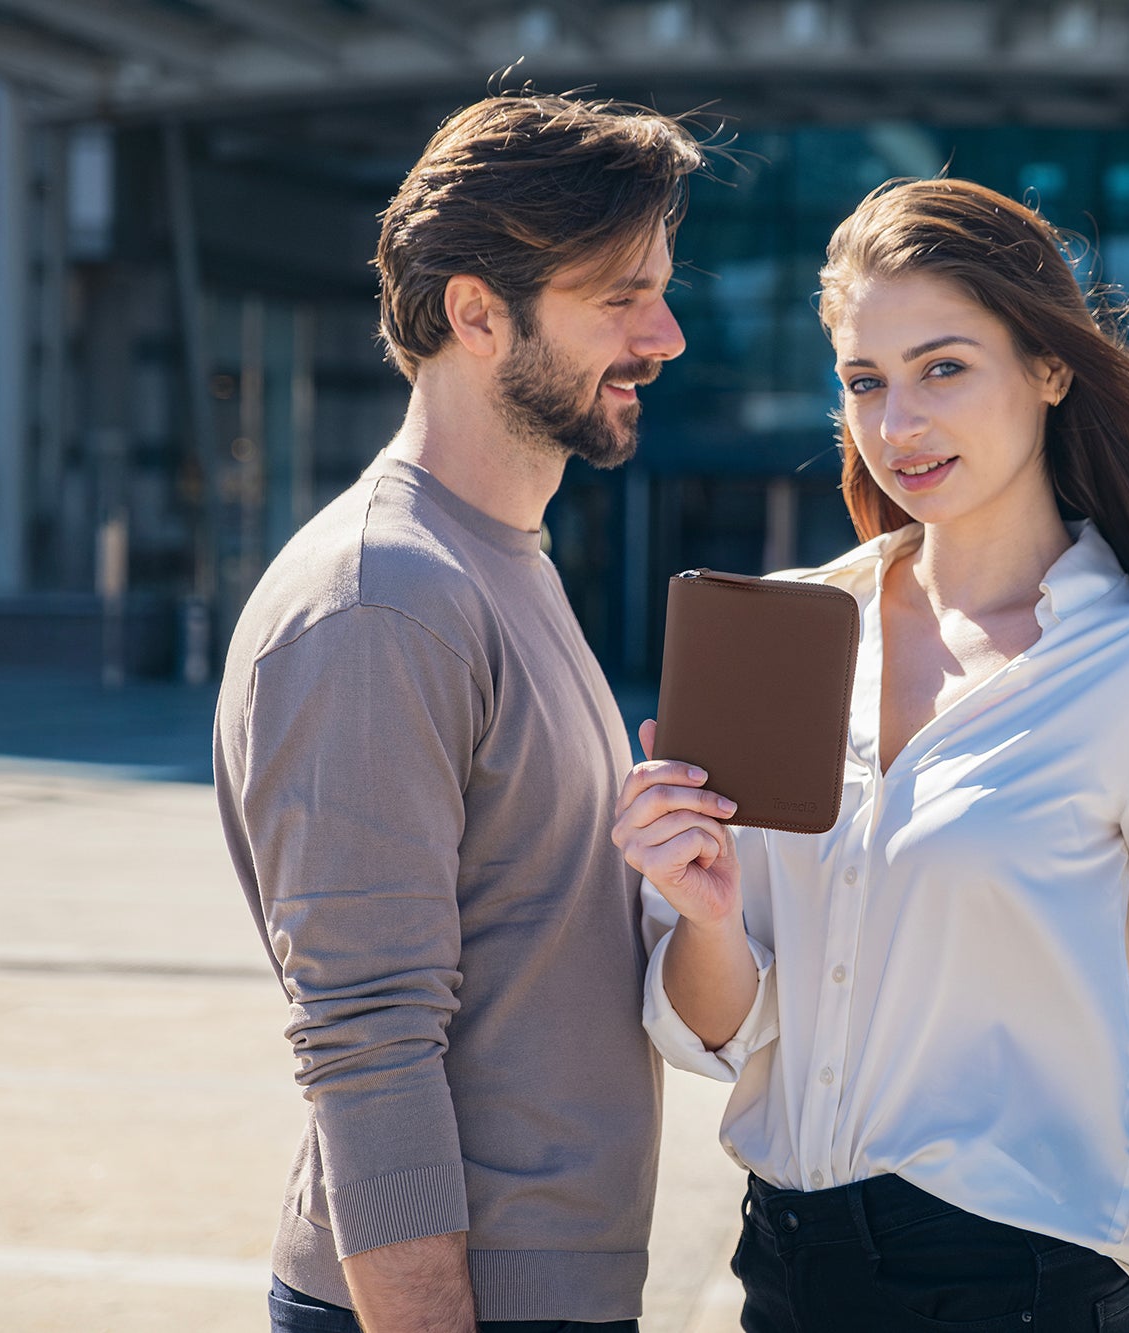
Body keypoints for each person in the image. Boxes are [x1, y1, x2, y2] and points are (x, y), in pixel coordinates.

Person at [612, 177, 1129, 1332]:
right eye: (864, 381)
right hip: (785, 1272)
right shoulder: (776, 634)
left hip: (1019, 1287)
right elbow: (718, 1029)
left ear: (1048, 369)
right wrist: (701, 910)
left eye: (943, 367)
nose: (898, 423)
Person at [214, 93, 703, 1333]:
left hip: (545, 1289)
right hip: (453, 1303)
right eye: (619, 298)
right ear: (475, 311)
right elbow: (364, 1036)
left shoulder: (500, 561)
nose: (666, 334)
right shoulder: (384, 597)